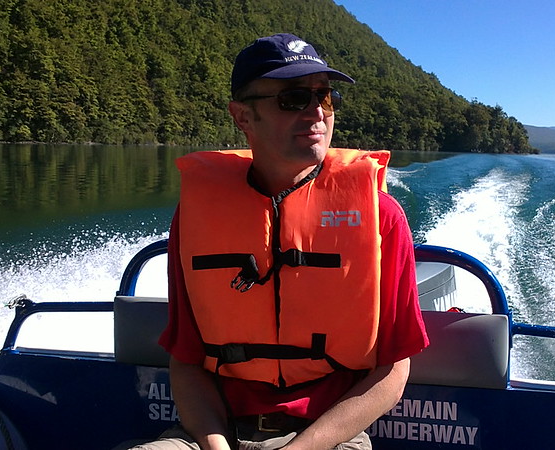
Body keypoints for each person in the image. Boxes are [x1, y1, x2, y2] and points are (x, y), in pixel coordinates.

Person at [139, 33, 428, 450]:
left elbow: (393, 371)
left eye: (325, 97)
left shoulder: (383, 217)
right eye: (294, 98)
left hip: (326, 437)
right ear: (243, 116)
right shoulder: (194, 216)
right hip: (213, 431)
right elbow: (186, 361)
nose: (317, 112)